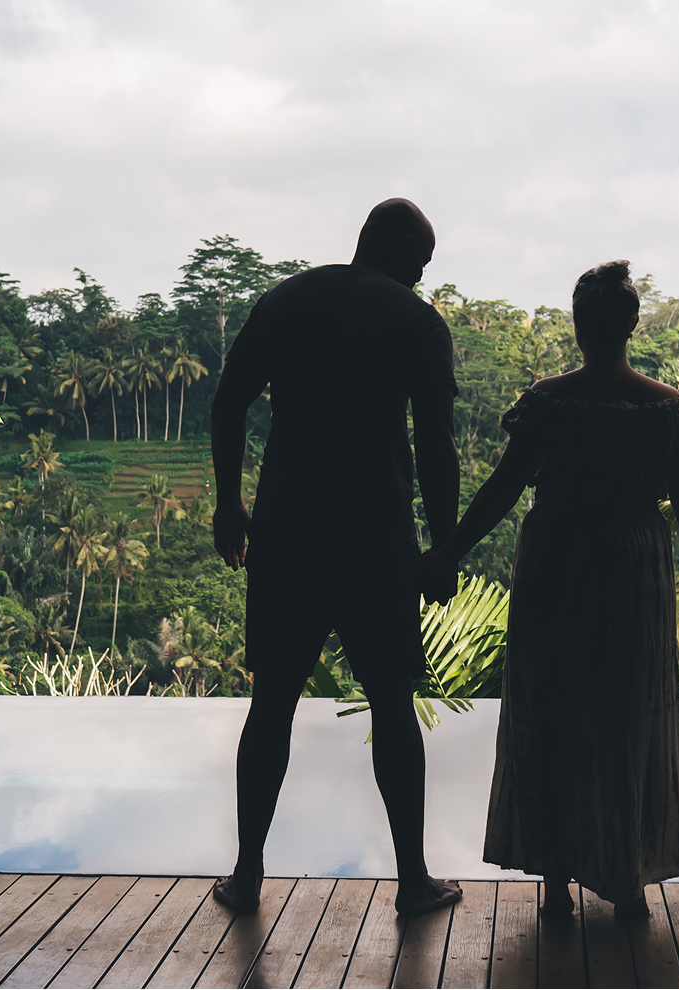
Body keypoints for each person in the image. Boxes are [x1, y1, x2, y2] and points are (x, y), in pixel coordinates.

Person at [418, 259, 679, 918]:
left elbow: (502, 488)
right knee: (627, 714)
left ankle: (556, 882)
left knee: (551, 708)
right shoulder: (668, 408)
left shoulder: (549, 403)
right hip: (634, 564)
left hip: (559, 557)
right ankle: (627, 879)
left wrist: (448, 553)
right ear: (632, 325)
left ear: (579, 325)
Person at [208, 198, 464, 918]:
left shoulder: (286, 301)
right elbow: (436, 444)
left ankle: (247, 875)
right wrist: (443, 545)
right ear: (400, 251)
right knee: (392, 704)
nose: (422, 275)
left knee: (272, 705)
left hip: (287, 532)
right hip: (375, 538)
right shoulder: (416, 322)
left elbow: (228, 402)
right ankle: (412, 880)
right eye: (421, 261)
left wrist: (229, 503)